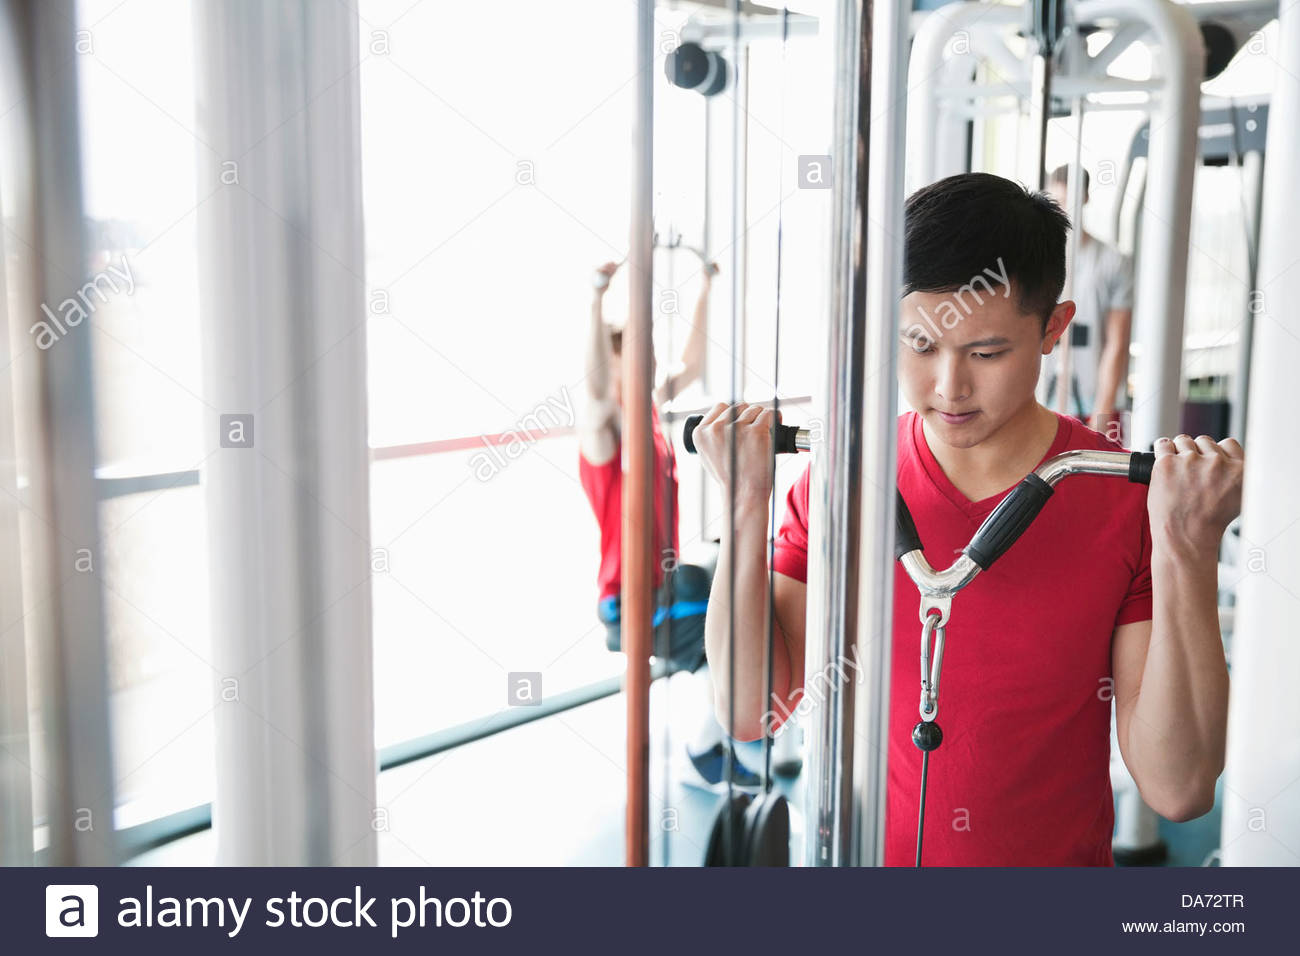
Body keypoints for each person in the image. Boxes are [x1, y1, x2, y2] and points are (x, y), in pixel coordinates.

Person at [691, 172, 1243, 865]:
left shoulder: (1122, 502)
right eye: (920, 346)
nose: (948, 387)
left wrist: (1190, 548)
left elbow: (1178, 787)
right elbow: (751, 710)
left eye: (985, 353)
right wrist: (744, 505)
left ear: (1053, 329)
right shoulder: (843, 480)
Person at [578, 256, 767, 790]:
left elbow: (691, 362)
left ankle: (740, 724)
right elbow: (595, 390)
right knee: (730, 631)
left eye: (651, 358)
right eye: (637, 359)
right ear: (615, 365)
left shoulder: (650, 412)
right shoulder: (605, 433)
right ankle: (704, 752)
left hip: (665, 582)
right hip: (632, 601)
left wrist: (705, 287)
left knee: (747, 595)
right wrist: (597, 295)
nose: (652, 366)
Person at [1043, 164, 1134, 442]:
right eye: (1056, 202)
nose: (1063, 210)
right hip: (1043, 399)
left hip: (1094, 402)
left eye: (1069, 201)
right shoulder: (1033, 262)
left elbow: (1117, 343)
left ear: (1085, 198)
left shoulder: (1113, 261)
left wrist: (1101, 416)